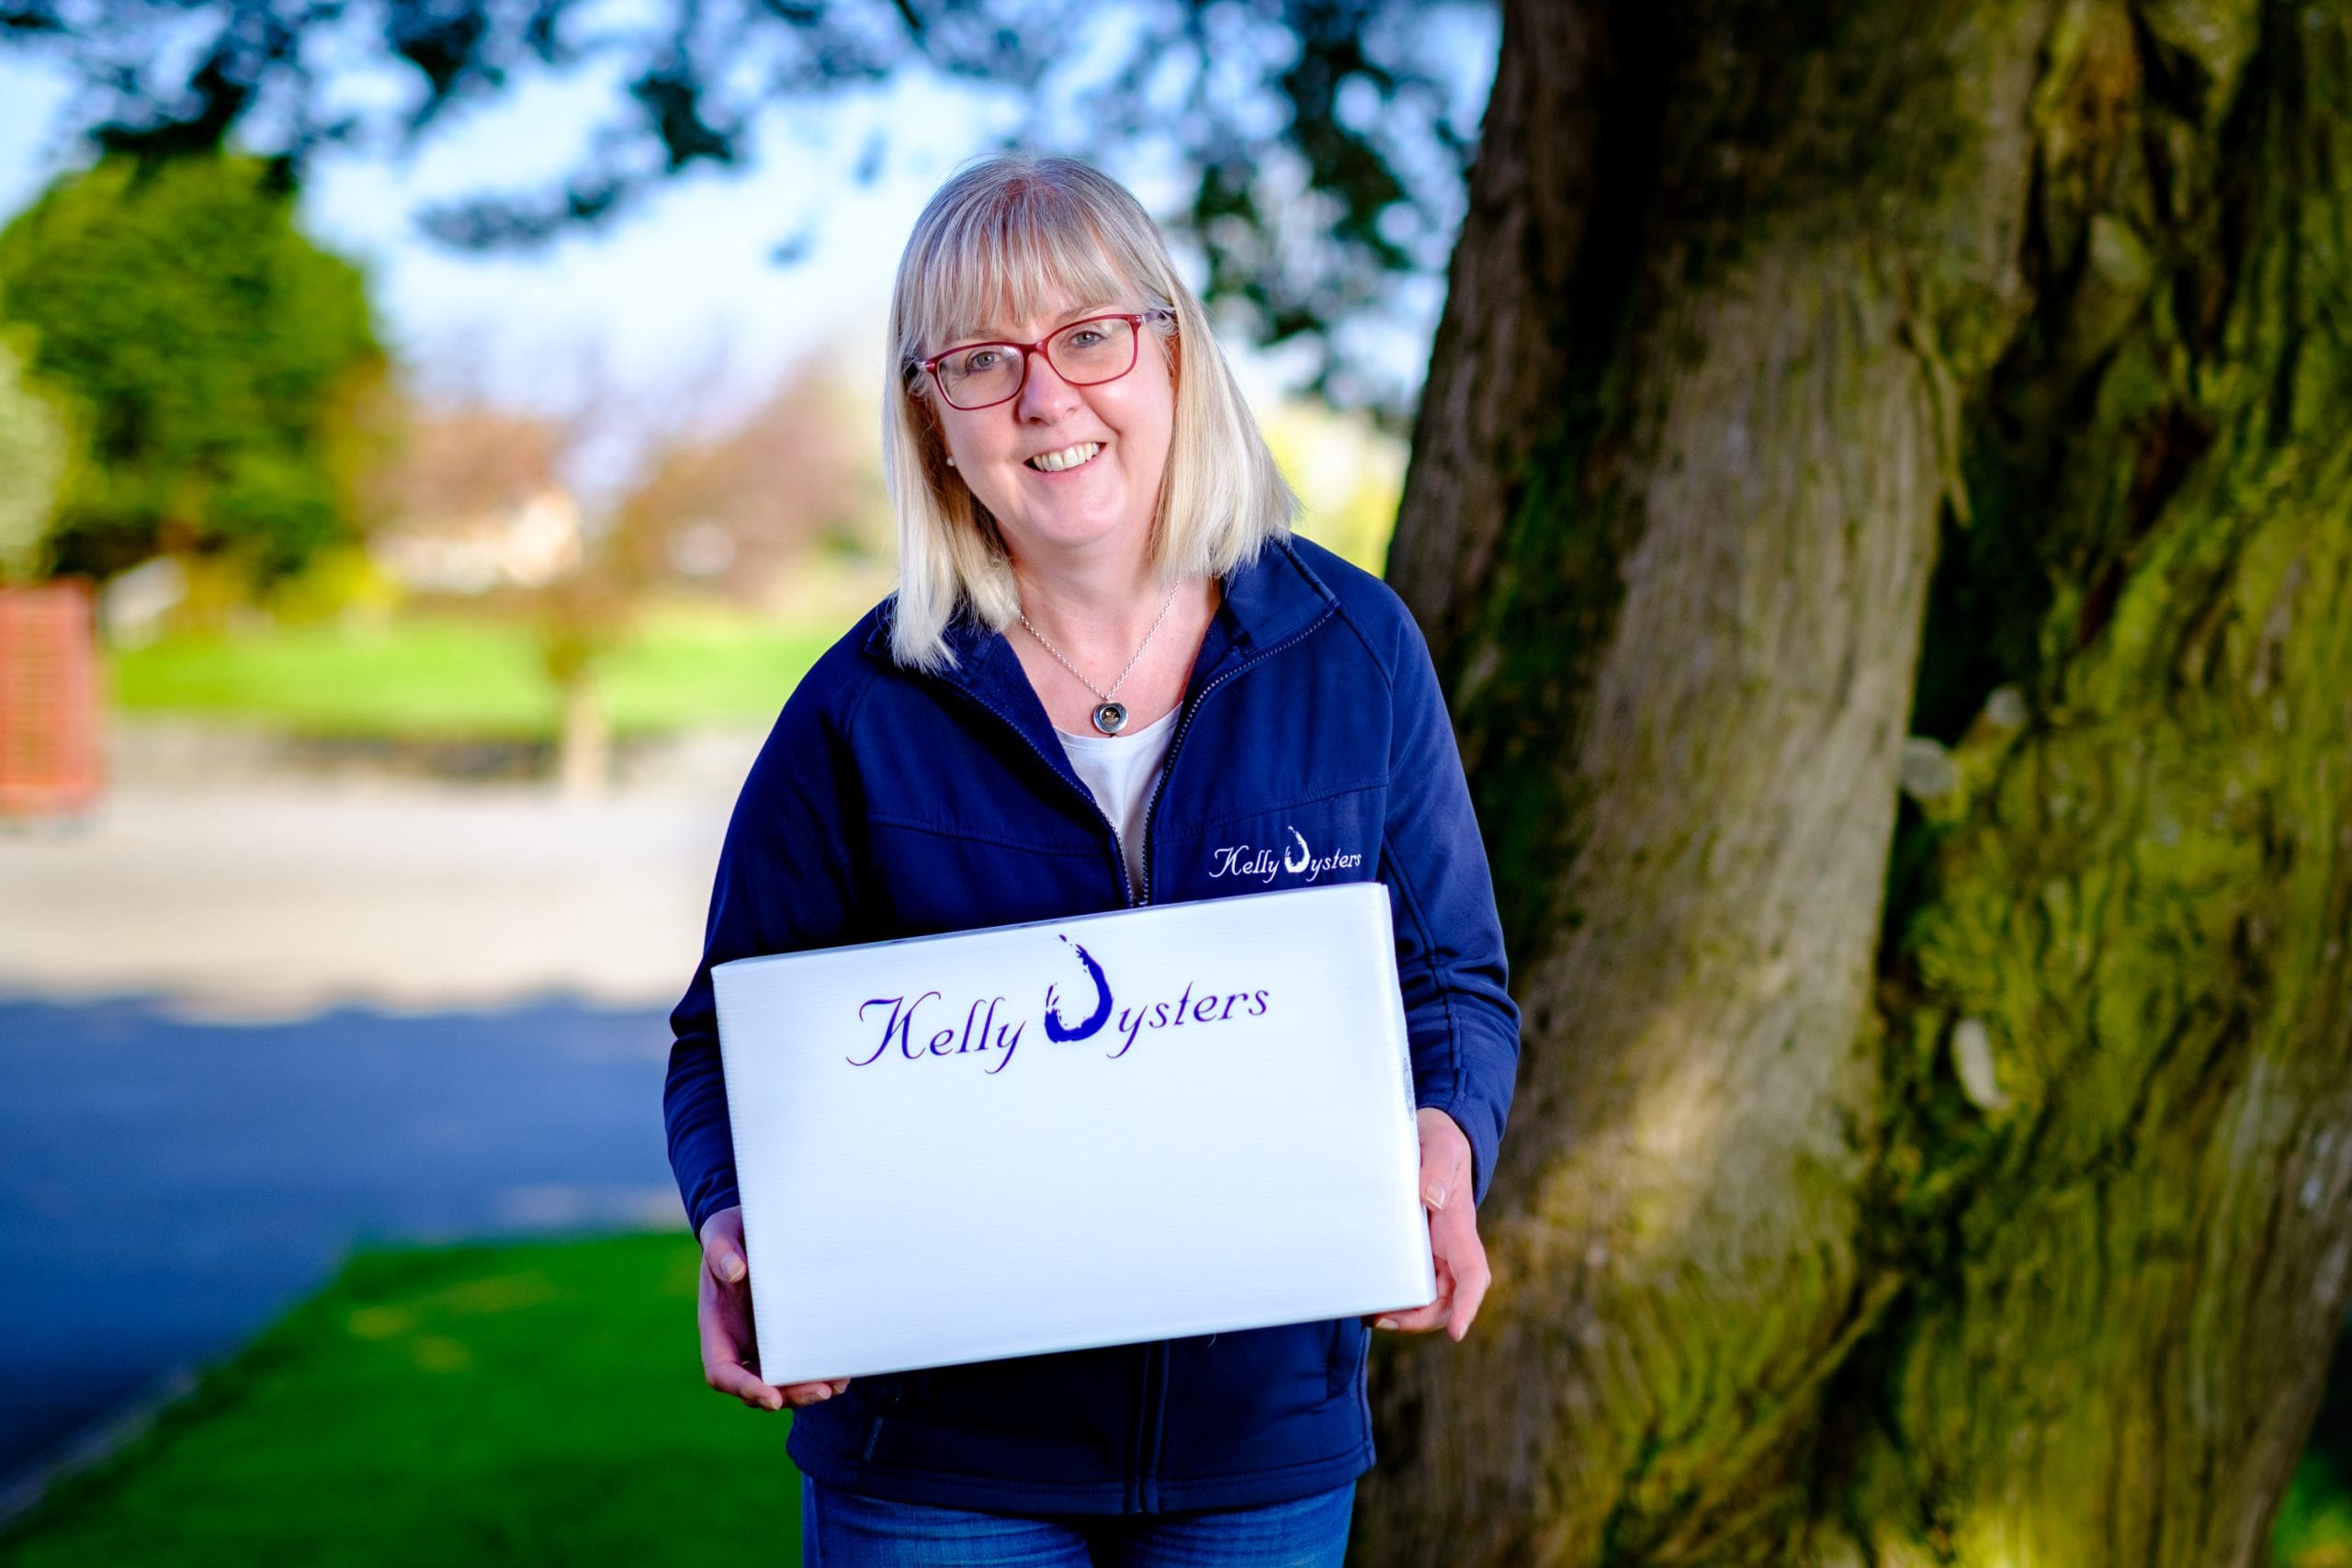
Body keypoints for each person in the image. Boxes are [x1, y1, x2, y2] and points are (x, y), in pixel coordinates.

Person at [663, 152, 1520, 1566]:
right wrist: (736, 1212)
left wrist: (1450, 1135)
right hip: (933, 1463)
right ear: (931, 418)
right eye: (984, 362)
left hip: (1259, 1449)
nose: (1048, 398)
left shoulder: (1353, 648)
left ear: (1174, 354)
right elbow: (726, 1039)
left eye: (1090, 337)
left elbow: (1454, 989)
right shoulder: (860, 708)